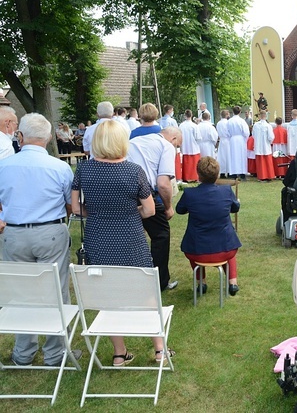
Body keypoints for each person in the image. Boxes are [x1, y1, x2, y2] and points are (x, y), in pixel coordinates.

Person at [71, 120, 171, 365]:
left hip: (98, 238)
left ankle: (119, 353)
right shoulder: (133, 170)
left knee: (108, 294)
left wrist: (99, 212)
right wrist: (127, 211)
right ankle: (159, 349)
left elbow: (75, 208)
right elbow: (149, 209)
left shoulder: (84, 170)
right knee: (145, 291)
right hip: (130, 238)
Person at [0, 113, 76, 367]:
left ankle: (24, 352)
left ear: (20, 137)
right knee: (56, 289)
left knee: (21, 292)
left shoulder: (5, 166)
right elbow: (69, 205)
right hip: (49, 231)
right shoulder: (60, 167)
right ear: (47, 138)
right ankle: (55, 352)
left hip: (15, 233)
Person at [127, 123, 182, 291]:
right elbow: (163, 184)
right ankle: (160, 281)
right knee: (160, 235)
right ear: (173, 138)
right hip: (143, 193)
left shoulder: (136, 140)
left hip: (123, 190)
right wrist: (168, 207)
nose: (176, 148)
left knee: (131, 235)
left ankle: (131, 277)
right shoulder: (166, 146)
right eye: (178, 145)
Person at [176, 156, 241, 296]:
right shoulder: (226, 191)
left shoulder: (189, 194)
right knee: (228, 246)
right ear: (217, 174)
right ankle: (233, 282)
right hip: (225, 248)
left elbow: (179, 210)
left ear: (198, 174)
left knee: (199, 249)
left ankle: (201, 282)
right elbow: (235, 208)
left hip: (196, 250)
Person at [227, 106, 250, 180]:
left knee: (233, 156)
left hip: (232, 139)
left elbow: (227, 131)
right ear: (240, 112)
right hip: (240, 139)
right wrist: (245, 139)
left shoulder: (229, 121)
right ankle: (242, 173)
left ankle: (233, 173)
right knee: (241, 156)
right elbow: (246, 132)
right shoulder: (241, 121)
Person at [252, 110, 275, 181]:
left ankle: (261, 176)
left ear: (259, 116)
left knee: (260, 162)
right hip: (266, 145)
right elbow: (271, 137)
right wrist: (270, 142)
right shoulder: (268, 126)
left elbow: (253, 135)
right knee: (267, 161)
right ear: (266, 116)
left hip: (258, 145)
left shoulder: (256, 125)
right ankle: (269, 176)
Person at [179, 109, 201, 183]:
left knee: (186, 162)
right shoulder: (194, 126)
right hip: (193, 145)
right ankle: (195, 176)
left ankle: (186, 177)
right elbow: (198, 137)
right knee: (194, 162)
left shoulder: (181, 125)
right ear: (191, 116)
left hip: (185, 145)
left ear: (185, 116)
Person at [216, 110, 231, 176]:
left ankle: (222, 172)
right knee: (228, 156)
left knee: (222, 156)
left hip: (222, 140)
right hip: (227, 140)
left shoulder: (219, 123)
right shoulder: (228, 123)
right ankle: (228, 171)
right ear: (227, 115)